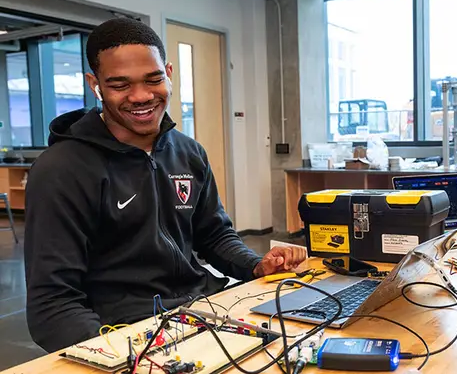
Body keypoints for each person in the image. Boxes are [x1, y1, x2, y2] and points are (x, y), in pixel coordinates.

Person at [23, 18, 306, 353]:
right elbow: (52, 305)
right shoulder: (61, 169)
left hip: (205, 314)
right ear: (94, 84)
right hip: (128, 333)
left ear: (169, 73)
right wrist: (119, 355)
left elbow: (214, 234)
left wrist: (255, 264)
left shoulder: (188, 152)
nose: (141, 96)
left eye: (153, 79)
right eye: (119, 85)